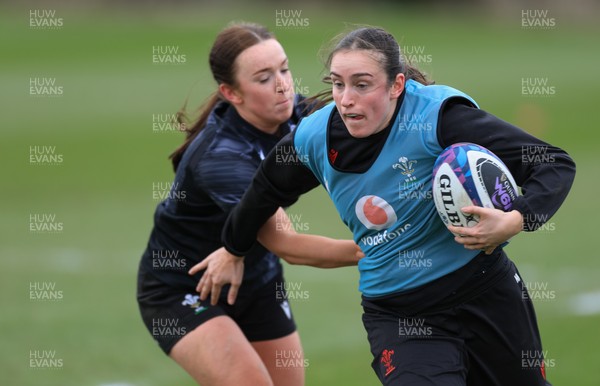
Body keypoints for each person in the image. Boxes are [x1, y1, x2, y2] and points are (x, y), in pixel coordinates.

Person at [191, 27, 576, 385]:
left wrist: (517, 219)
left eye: (362, 85)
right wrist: (234, 247)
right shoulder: (314, 137)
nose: (345, 99)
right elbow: (264, 190)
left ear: (396, 85)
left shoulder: (439, 118)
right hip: (401, 313)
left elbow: (552, 162)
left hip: (487, 292)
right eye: (337, 85)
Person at [136, 22, 362, 386]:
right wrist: (378, 249)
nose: (282, 85)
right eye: (263, 78)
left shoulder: (299, 115)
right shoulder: (221, 157)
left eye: (284, 69)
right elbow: (288, 245)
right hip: (183, 287)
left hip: (258, 281)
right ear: (232, 92)